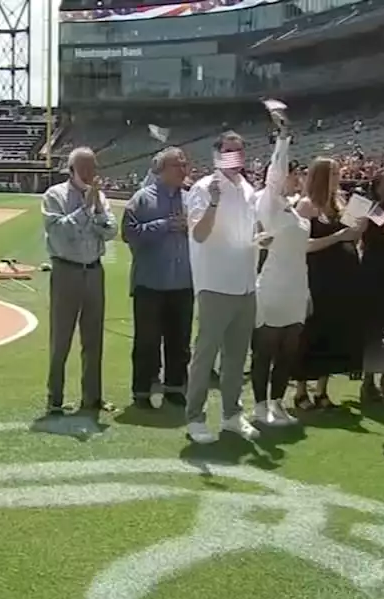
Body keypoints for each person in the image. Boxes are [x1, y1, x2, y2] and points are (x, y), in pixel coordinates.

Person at [183, 131, 260, 444]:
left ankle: (231, 415)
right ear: (217, 155)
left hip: (245, 284)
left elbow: (248, 232)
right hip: (215, 284)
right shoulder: (204, 188)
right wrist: (214, 203)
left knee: (236, 358)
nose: (235, 157)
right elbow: (199, 234)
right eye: (229, 151)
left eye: (239, 151)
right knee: (205, 355)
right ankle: (195, 417)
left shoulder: (248, 189)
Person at [42, 146, 116, 415]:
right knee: (61, 337)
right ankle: (55, 399)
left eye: (93, 168)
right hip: (66, 271)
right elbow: (61, 233)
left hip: (94, 271)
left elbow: (110, 231)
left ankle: (92, 398)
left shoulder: (100, 197)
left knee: (93, 338)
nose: (90, 174)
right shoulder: (55, 196)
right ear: (71, 170)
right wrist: (86, 210)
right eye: (84, 169)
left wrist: (94, 208)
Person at [292, 158, 367, 410]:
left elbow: (351, 236)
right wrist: (338, 237)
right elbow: (303, 245)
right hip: (317, 275)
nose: (338, 176)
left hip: (342, 277)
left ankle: (322, 390)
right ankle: (301, 389)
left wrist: (359, 227)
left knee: (333, 331)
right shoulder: (306, 205)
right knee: (311, 331)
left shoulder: (340, 203)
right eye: (333, 173)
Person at [122, 147, 193, 409]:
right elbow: (129, 233)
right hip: (150, 283)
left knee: (180, 341)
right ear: (161, 170)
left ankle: (175, 387)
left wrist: (191, 229)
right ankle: (142, 390)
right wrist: (164, 225)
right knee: (147, 342)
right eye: (177, 165)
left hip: (183, 282)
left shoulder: (191, 199)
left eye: (185, 164)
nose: (183, 169)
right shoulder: (142, 199)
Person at [250, 125, 308, 427]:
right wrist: (283, 141)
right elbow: (274, 174)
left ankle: (277, 403)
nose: (295, 176)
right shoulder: (269, 203)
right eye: (291, 172)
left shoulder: (295, 209)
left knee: (287, 353)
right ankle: (259, 404)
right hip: (272, 288)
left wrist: (307, 293)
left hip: (297, 290)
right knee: (265, 350)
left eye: (297, 173)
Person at [358, 170, 384, 402]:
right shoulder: (366, 205)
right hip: (373, 270)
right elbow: (375, 223)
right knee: (374, 326)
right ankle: (368, 381)